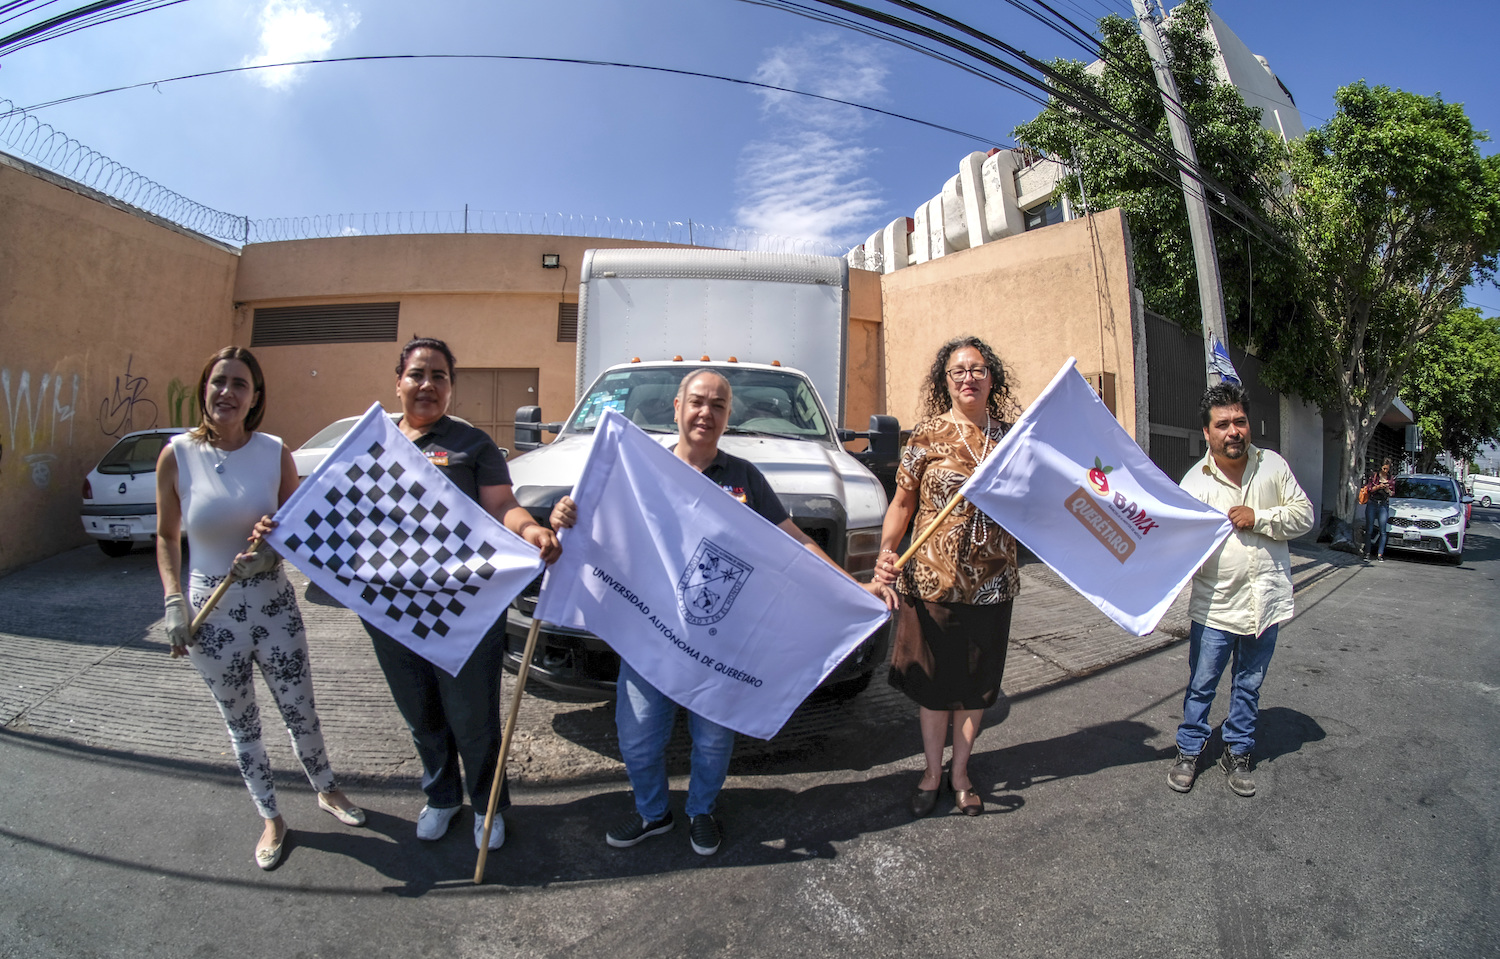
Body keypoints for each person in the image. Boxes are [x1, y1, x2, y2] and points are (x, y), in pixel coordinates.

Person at [549, 368, 896, 855]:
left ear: (728, 416)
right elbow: (599, 521)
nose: (705, 413)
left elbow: (794, 542)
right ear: (677, 407)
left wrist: (852, 587)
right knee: (638, 736)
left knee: (713, 739)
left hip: (719, 643)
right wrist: (564, 515)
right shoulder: (641, 469)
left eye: (717, 405)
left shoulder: (744, 477)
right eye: (697, 402)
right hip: (651, 635)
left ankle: (701, 811)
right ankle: (652, 813)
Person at [155, 346, 364, 871]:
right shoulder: (177, 455)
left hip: (273, 603)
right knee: (241, 723)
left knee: (300, 708)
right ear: (205, 388)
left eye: (239, 384)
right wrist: (174, 601)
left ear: (255, 397)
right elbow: (165, 536)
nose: (227, 392)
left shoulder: (274, 452)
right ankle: (271, 816)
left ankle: (327, 788)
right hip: (210, 613)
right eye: (218, 381)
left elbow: (297, 529)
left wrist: (271, 551)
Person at [361, 337, 561, 852]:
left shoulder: (472, 445)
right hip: (391, 607)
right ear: (398, 382)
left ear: (451, 387)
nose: (427, 384)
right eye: (417, 374)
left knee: (472, 717)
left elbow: (502, 505)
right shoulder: (372, 442)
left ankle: (486, 805)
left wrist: (531, 530)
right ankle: (442, 797)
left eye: (440, 376)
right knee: (421, 714)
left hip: (465, 605)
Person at [872, 336, 1021, 818]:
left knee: (976, 687)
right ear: (946, 381)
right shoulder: (927, 435)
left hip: (993, 585)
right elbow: (902, 503)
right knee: (934, 687)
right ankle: (932, 772)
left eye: (977, 369)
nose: (968, 378)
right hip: (931, 582)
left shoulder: (1012, 440)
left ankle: (960, 773)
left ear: (992, 379)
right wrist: (887, 553)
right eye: (958, 371)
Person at [1167, 382, 1314, 797]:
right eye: (1223, 424)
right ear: (1206, 433)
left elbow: (1304, 516)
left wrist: (1259, 517)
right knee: (1202, 684)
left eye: (1240, 421)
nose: (1234, 431)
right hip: (1214, 608)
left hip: (1265, 604)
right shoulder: (1193, 484)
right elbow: (1178, 547)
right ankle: (1189, 750)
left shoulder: (1273, 467)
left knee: (1248, 685)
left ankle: (1238, 750)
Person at [1361, 458, 1396, 561]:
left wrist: (1387, 489)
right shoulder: (1374, 476)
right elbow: (1369, 488)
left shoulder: (1390, 478)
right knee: (1369, 529)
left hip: (1383, 505)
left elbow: (1392, 493)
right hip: (1372, 503)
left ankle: (1380, 554)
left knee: (1383, 530)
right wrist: (1378, 487)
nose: (1385, 471)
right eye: (1384, 468)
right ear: (1381, 467)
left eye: (1387, 469)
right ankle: (1367, 552)